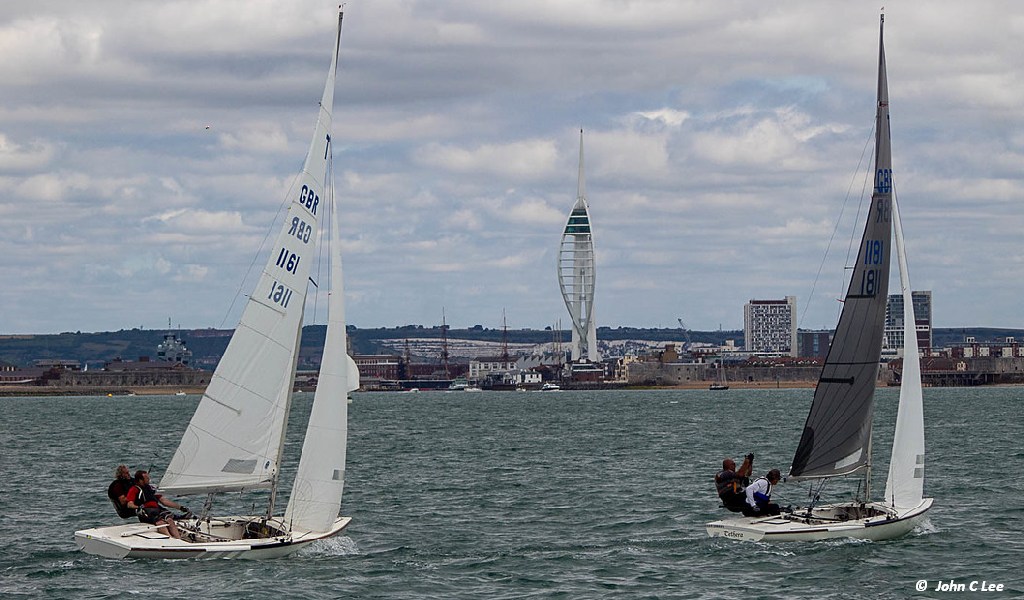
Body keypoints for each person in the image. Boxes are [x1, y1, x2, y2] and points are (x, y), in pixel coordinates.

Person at [126, 470, 187, 539]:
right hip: (146, 512)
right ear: (140, 480)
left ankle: (178, 539)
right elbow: (129, 504)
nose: (149, 479)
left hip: (156, 510)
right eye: (147, 478)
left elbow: (163, 501)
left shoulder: (150, 489)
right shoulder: (134, 490)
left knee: (170, 520)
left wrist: (180, 507)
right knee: (160, 523)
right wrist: (139, 507)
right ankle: (170, 539)